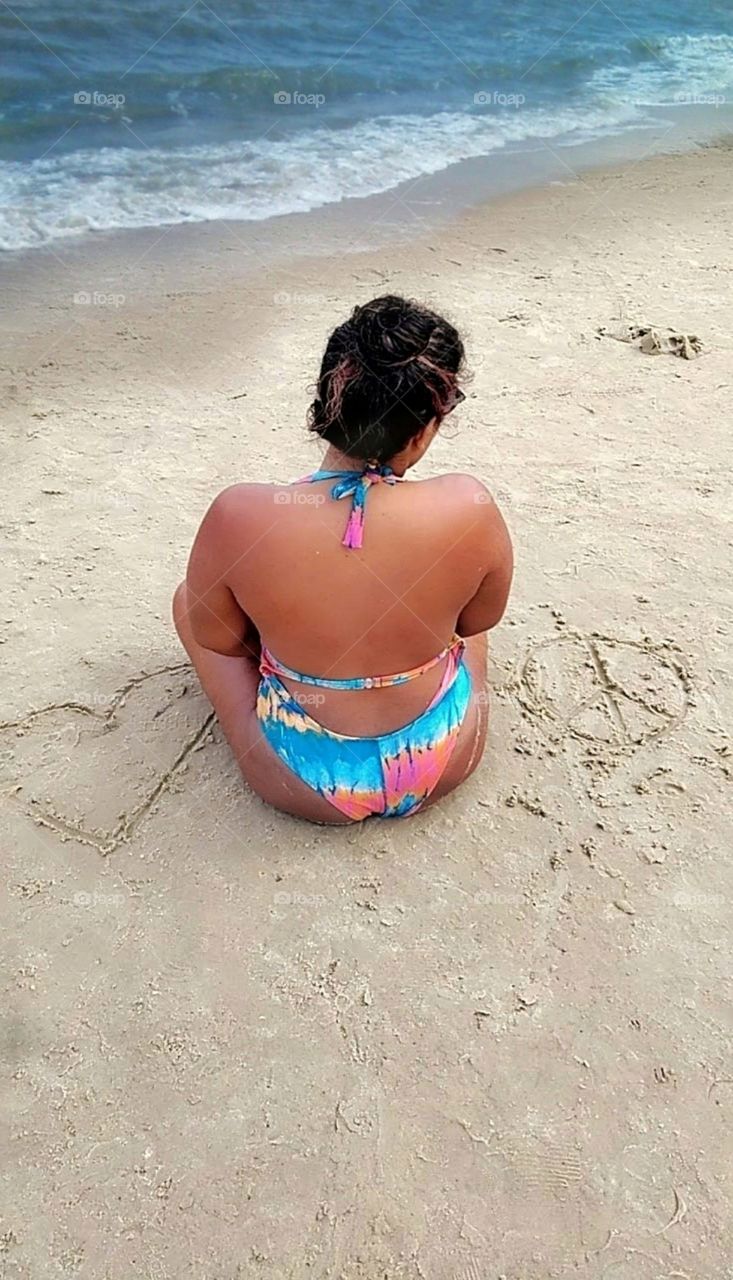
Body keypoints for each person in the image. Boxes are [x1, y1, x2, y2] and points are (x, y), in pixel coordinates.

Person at [173, 295, 513, 824]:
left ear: (325, 403)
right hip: (441, 760)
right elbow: (479, 620)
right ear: (425, 426)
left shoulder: (239, 514)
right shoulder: (467, 504)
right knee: (460, 605)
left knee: (189, 603)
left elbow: (219, 638)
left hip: (302, 780)